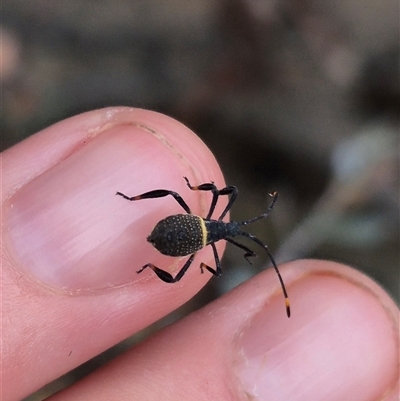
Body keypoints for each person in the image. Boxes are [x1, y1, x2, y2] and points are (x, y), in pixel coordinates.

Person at [1, 107, 398, 401]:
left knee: (182, 253)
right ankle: (134, 210)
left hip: (189, 233)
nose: (240, 229)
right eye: (239, 227)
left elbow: (224, 201)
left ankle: (140, 235)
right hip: (189, 235)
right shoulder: (214, 238)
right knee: (182, 245)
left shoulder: (216, 227)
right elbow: (226, 204)